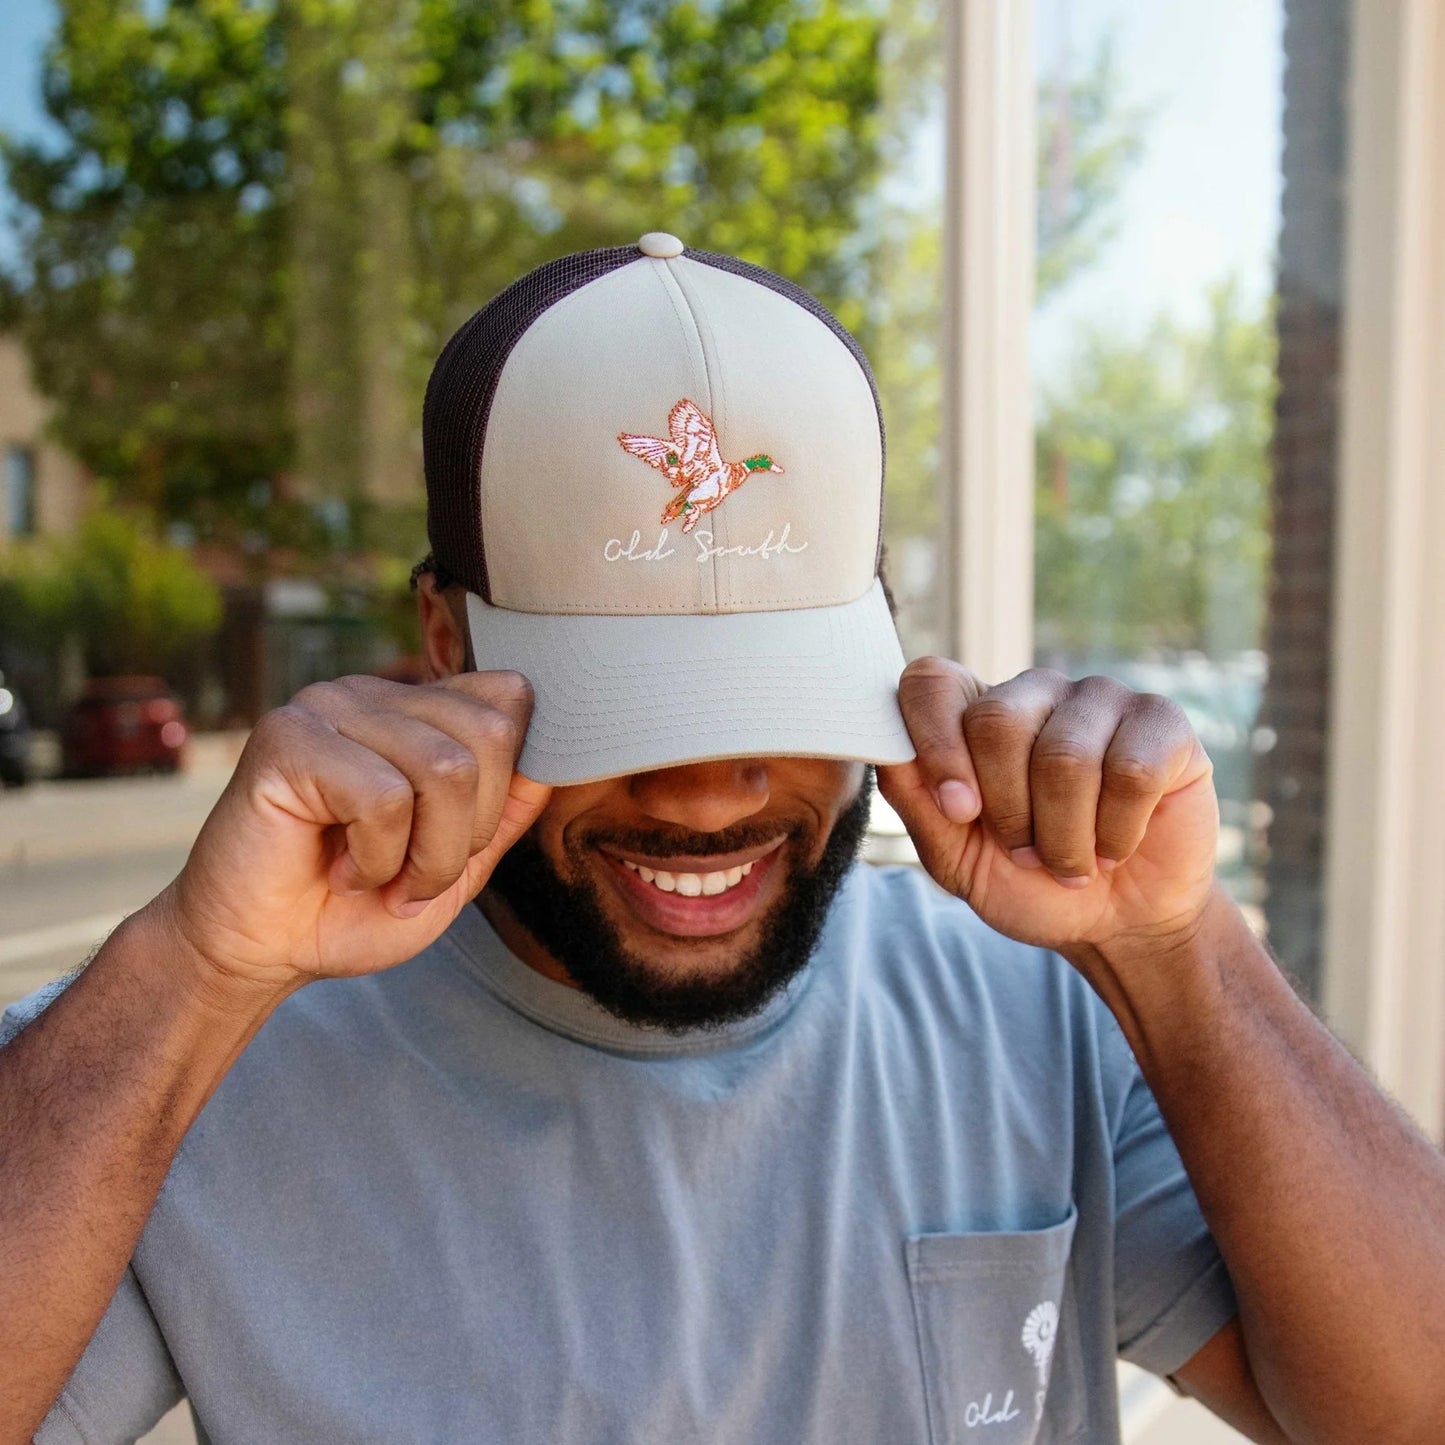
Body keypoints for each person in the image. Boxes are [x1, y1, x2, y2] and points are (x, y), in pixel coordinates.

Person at [2, 234, 1443, 1445]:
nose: (704, 792)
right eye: (618, 702)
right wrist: (191, 966)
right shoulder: (181, 1066)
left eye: (775, 690)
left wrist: (1175, 946)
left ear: (879, 639)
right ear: (443, 642)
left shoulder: (1039, 1010)